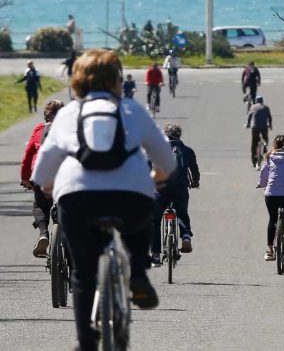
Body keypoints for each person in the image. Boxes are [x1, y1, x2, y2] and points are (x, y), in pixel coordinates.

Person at [31, 49, 176, 351]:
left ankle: (86, 342)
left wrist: (48, 186)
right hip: (130, 195)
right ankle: (137, 271)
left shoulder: (69, 113)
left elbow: (43, 166)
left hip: (77, 197)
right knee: (140, 219)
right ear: (117, 80)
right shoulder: (132, 110)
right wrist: (156, 179)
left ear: (78, 81)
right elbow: (167, 161)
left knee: (83, 273)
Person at [150, 122, 200, 266]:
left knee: (155, 220)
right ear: (179, 135)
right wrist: (195, 182)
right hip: (180, 189)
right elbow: (194, 171)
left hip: (161, 190)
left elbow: (147, 167)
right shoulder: (187, 150)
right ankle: (185, 237)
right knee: (182, 212)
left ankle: (156, 256)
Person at [20, 99, 65, 258]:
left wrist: (25, 178)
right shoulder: (71, 128)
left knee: (40, 205)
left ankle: (43, 234)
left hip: (42, 174)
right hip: (65, 175)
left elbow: (28, 154)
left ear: (46, 115)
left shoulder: (40, 129)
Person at [246, 96, 272, 168]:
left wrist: (248, 124)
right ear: (262, 101)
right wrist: (270, 125)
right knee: (265, 138)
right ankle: (264, 146)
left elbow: (249, 117)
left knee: (254, 143)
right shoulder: (266, 108)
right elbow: (269, 117)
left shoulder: (253, 107)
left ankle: (254, 160)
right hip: (264, 127)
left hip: (255, 127)